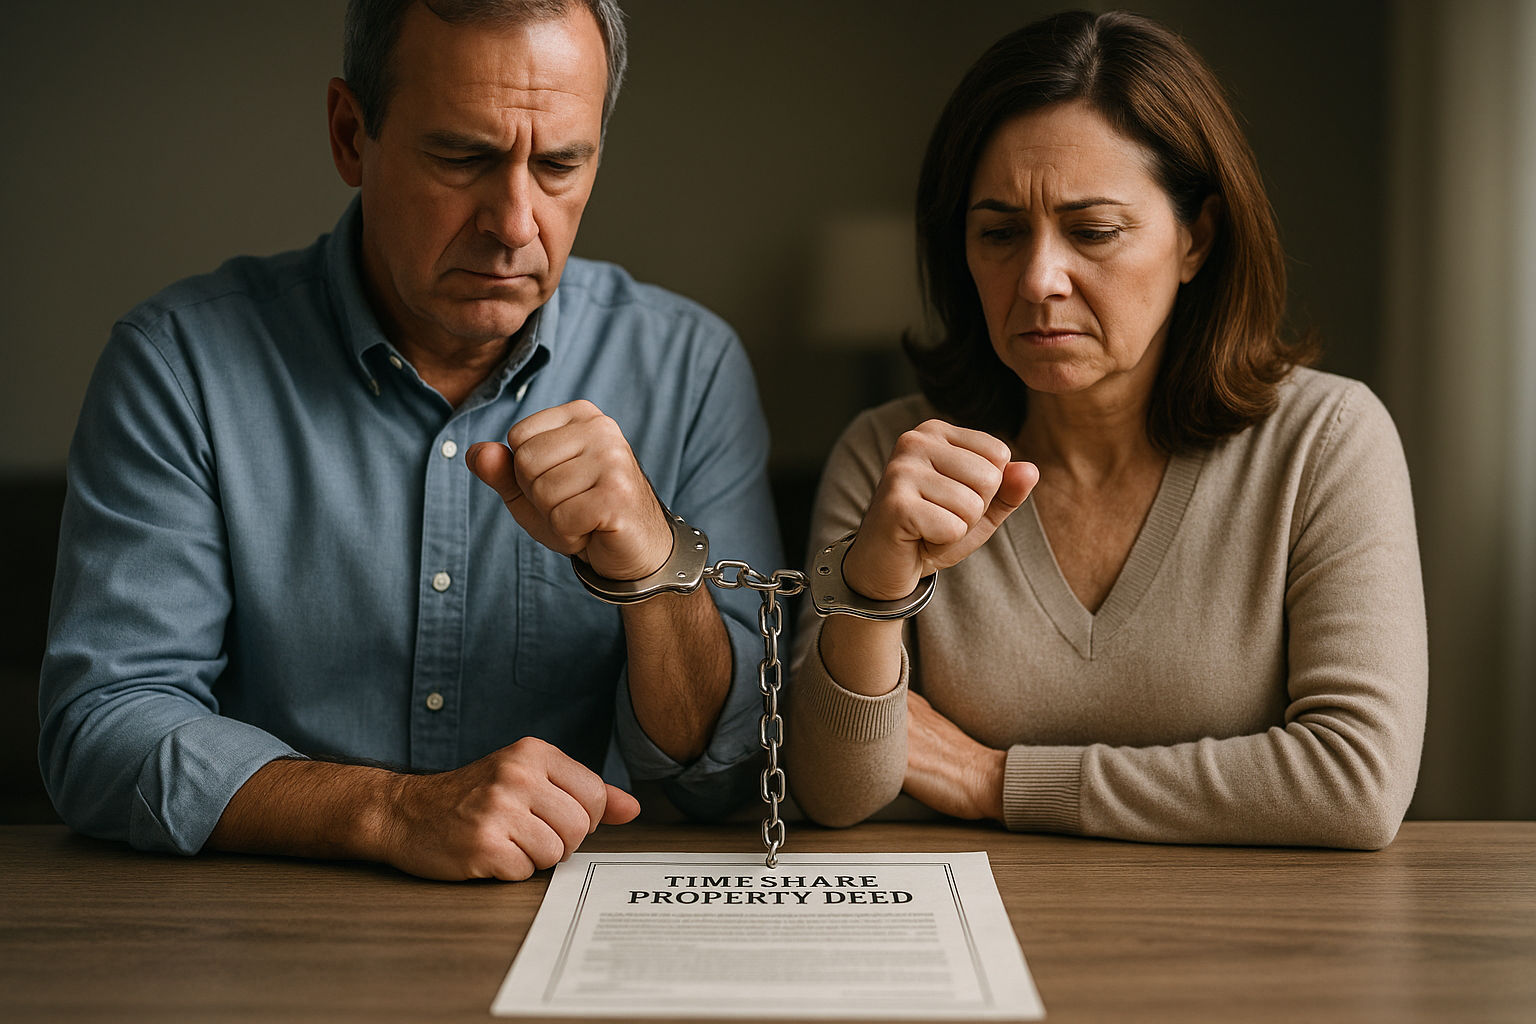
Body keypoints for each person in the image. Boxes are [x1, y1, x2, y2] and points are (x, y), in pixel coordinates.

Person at [39, 0, 782, 881]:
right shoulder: (180, 366)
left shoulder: (690, 367)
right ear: (352, 135)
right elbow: (101, 728)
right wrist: (392, 813)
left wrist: (657, 571)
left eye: (559, 164)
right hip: (266, 936)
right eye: (463, 156)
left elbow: (726, 776)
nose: (513, 223)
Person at [786, 10, 1426, 849]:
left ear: (1196, 239)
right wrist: (874, 591)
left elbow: (1354, 782)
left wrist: (994, 778)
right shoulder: (891, 455)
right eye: (1000, 233)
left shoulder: (1327, 442)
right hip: (973, 939)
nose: (1040, 278)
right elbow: (835, 794)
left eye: (1093, 232)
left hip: (1250, 952)